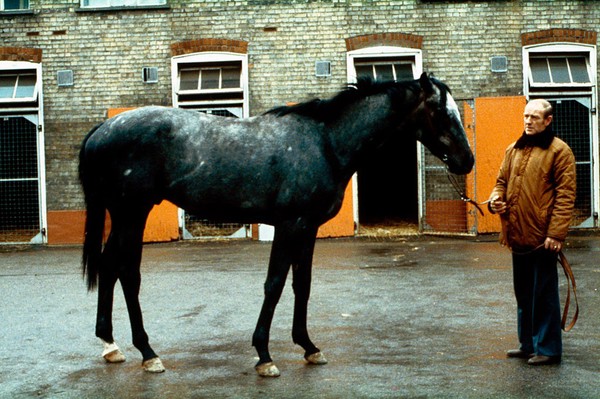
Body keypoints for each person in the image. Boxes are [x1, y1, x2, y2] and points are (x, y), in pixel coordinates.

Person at [488, 98, 576, 366]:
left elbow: (565, 196)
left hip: (543, 239)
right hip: (518, 235)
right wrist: (495, 200)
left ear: (548, 120)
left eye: (534, 117)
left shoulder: (560, 152)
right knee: (524, 293)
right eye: (526, 116)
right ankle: (528, 344)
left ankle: (548, 350)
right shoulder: (513, 149)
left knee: (544, 295)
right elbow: (500, 182)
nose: (527, 121)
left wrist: (556, 234)